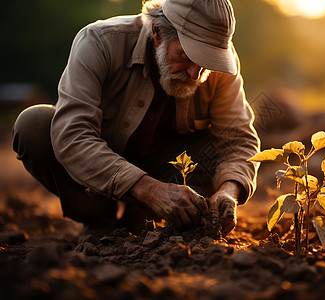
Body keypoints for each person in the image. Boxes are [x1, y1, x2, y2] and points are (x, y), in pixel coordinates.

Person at [12, 0, 260, 238]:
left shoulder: (216, 66)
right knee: (33, 126)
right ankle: (99, 220)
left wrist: (229, 190)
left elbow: (238, 140)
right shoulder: (99, 42)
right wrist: (148, 189)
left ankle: (141, 217)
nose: (197, 73)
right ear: (158, 32)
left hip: (165, 171)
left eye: (207, 62)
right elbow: (73, 134)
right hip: (98, 176)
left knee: (216, 147)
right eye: (186, 55)